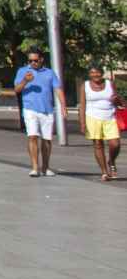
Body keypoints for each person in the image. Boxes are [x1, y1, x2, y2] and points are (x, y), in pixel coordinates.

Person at [12, 49, 66, 177]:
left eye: (35, 60)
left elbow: (58, 89)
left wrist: (63, 105)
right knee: (32, 136)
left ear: (41, 59)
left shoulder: (49, 73)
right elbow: (17, 89)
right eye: (30, 61)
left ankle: (45, 167)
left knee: (46, 140)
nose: (32, 63)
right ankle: (35, 167)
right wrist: (25, 81)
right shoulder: (22, 71)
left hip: (47, 110)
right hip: (30, 109)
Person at [78, 64, 120, 181]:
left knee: (115, 144)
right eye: (92, 72)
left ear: (102, 73)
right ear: (89, 74)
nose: (95, 75)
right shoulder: (85, 85)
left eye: (97, 72)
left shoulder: (110, 84)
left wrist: (116, 99)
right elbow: (82, 105)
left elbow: (118, 101)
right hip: (92, 117)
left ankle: (111, 160)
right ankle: (104, 172)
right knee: (98, 144)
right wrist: (82, 123)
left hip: (110, 117)